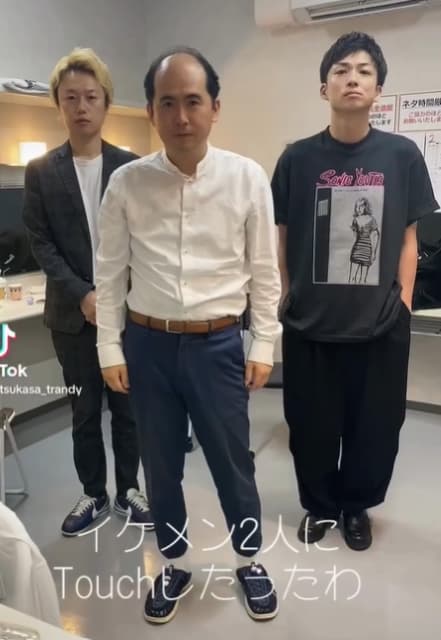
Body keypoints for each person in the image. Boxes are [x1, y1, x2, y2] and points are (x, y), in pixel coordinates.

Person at [95, 46, 281, 623]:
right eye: (167, 103)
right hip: (147, 346)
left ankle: (249, 560)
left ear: (215, 108)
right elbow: (109, 273)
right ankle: (173, 563)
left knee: (232, 461)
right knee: (160, 466)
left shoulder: (246, 177)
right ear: (151, 111)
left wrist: (264, 343)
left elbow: (264, 271)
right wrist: (109, 346)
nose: (181, 116)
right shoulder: (126, 183)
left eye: (193, 101)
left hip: (218, 345)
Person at [272, 32, 439, 551]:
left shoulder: (401, 155)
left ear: (378, 89)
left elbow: (409, 238)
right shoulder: (297, 159)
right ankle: (320, 506)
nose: (352, 78)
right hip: (310, 323)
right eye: (341, 70)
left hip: (380, 323)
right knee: (311, 426)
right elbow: (282, 234)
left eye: (364, 71)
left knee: (375, 428)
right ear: (324, 87)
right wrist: (287, 293)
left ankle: (355, 506)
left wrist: (402, 304)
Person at [23, 48, 153, 536]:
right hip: (70, 315)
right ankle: (93, 493)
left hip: (126, 312)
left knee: (127, 408)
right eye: (71, 98)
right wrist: (82, 293)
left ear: (105, 103)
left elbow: (144, 240)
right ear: (58, 104)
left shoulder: (130, 167)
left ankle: (129, 490)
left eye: (90, 97)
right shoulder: (41, 170)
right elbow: (41, 242)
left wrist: (114, 297)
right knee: (83, 410)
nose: (81, 107)